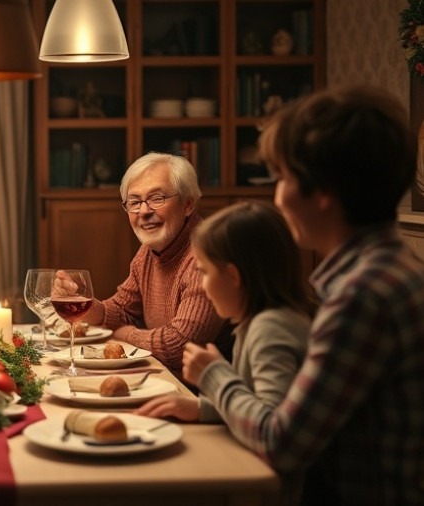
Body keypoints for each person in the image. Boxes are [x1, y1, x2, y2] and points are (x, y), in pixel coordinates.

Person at [181, 86, 424, 505]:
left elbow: (282, 443)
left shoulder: (361, 297)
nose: (278, 197)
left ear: (323, 191)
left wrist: (214, 376)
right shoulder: (394, 270)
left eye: (284, 178)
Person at [135, 201, 313, 503]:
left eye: (204, 272)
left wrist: (215, 377)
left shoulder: (271, 328)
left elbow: (271, 430)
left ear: (233, 276)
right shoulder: (257, 322)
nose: (203, 286)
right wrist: (202, 409)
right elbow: (255, 404)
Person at [72, 152, 231, 374]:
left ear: (187, 204)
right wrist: (86, 305)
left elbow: (179, 346)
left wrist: (123, 334)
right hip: (160, 377)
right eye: (135, 202)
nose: (144, 211)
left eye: (157, 198)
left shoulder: (206, 255)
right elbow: (122, 309)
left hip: (201, 391)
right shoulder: (150, 251)